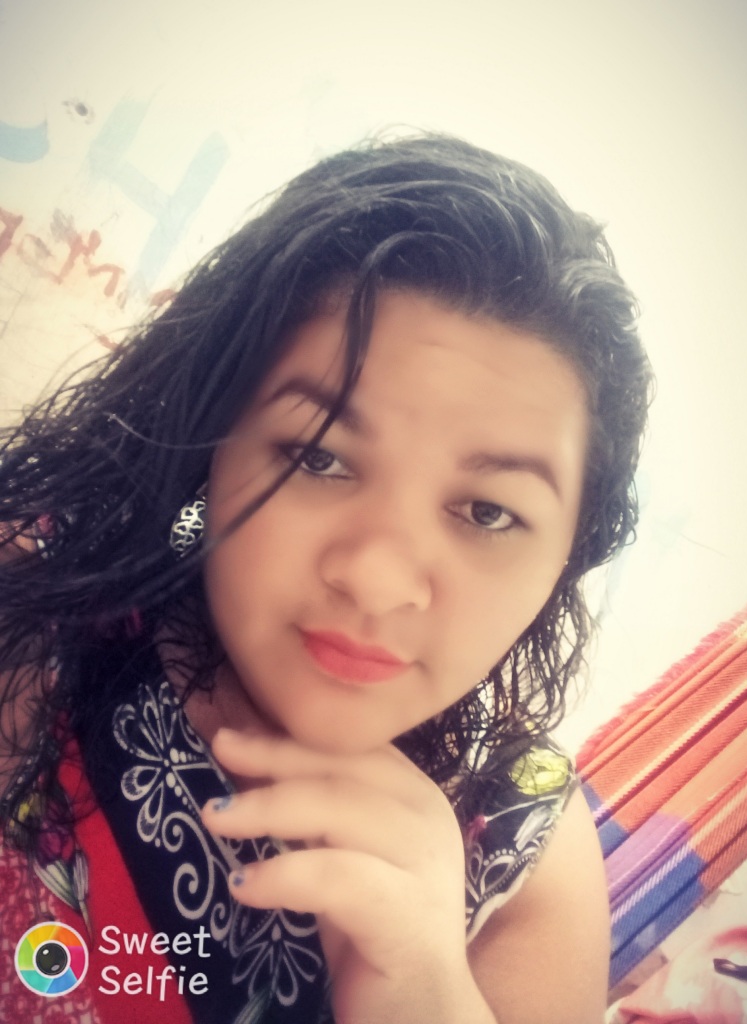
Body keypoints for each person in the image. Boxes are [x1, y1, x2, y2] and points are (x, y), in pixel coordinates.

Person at [0, 133, 653, 1024]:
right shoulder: (34, 613)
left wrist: (425, 991)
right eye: (318, 456)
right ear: (212, 440)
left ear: (566, 559)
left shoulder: (523, 841)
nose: (379, 581)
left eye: (488, 512)